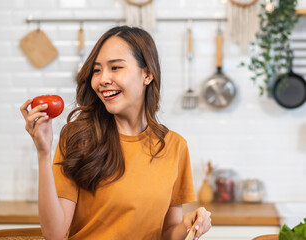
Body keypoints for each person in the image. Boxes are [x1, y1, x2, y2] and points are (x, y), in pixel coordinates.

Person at [20, 25, 211, 240]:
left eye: (116, 68)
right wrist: (43, 153)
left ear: (147, 74)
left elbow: (167, 233)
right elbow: (54, 235)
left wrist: (189, 224)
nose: (103, 79)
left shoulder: (174, 146)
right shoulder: (78, 138)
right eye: (97, 70)